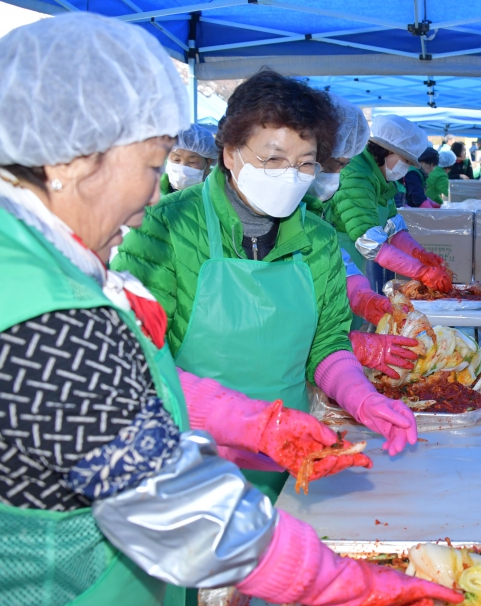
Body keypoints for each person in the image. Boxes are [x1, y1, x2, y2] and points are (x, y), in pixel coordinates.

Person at [0, 13, 462, 606]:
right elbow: (182, 512)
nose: (146, 195)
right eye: (150, 162)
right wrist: (347, 584)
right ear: (77, 160)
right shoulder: (50, 317)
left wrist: (272, 423)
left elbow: (145, 384)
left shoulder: (40, 260)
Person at [112, 70, 420, 495]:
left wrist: (359, 396)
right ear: (230, 152)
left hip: (291, 459)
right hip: (186, 468)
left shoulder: (318, 239)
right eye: (272, 160)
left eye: (305, 163)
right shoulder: (166, 227)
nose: (290, 175)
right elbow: (135, 360)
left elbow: (327, 344)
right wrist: (249, 425)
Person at [333, 114, 451, 292]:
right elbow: (370, 241)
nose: (406, 167)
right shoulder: (356, 176)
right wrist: (421, 271)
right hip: (336, 259)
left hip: (354, 262)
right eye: (404, 160)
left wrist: (420, 254)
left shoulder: (381, 179)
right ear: (385, 151)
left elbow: (392, 228)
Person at [161, 123, 218, 195]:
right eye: (176, 160)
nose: (182, 168)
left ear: (208, 163)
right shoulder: (150, 193)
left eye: (192, 162)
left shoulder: (216, 195)